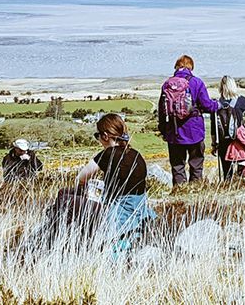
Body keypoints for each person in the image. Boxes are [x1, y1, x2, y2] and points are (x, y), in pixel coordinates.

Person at [48, 113, 156, 246]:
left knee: (63, 196)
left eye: (97, 135)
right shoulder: (135, 154)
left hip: (118, 213)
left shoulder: (107, 154)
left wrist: (86, 188)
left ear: (105, 136)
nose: (98, 139)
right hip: (138, 209)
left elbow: (80, 178)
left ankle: (57, 240)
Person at [158, 55, 220, 186]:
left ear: (176, 67)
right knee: (196, 164)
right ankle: (195, 191)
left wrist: (164, 131)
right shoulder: (197, 82)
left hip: (174, 132)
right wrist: (218, 105)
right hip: (194, 130)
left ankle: (179, 192)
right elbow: (207, 105)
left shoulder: (167, 84)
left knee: (177, 166)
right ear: (191, 67)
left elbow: (162, 111)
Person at [210, 76, 245, 180]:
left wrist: (214, 145)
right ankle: (242, 186)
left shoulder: (216, 104)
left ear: (221, 88)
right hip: (239, 141)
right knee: (243, 172)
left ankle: (227, 190)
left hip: (223, 143)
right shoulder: (240, 101)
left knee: (227, 174)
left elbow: (214, 128)